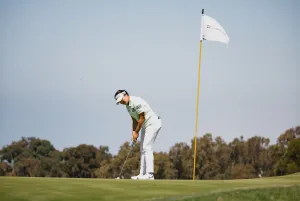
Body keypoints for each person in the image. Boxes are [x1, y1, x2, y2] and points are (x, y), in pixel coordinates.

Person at [114, 89, 162, 180]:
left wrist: (136, 132)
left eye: (122, 100)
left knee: (147, 147)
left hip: (152, 123)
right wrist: (133, 133)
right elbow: (134, 120)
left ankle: (150, 174)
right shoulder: (127, 107)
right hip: (145, 126)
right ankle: (142, 174)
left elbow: (142, 118)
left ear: (125, 95)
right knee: (142, 149)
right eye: (119, 102)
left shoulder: (136, 101)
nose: (121, 102)